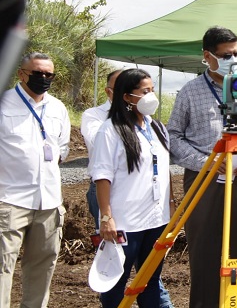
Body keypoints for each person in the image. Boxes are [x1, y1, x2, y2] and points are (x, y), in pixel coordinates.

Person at [167, 26, 237, 308]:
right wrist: (205, 163)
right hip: (204, 179)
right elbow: (173, 136)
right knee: (204, 249)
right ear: (208, 56)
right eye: (226, 55)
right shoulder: (191, 91)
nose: (234, 59)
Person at [81, 69, 174, 308]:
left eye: (152, 90)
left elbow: (163, 169)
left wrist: (170, 203)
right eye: (144, 92)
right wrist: (106, 216)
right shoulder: (110, 130)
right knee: (116, 280)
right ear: (126, 96)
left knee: (150, 279)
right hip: (125, 221)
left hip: (156, 218)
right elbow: (102, 176)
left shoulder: (156, 128)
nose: (151, 96)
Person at [0, 52, 70, 307]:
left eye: (48, 74)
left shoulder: (57, 108)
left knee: (42, 269)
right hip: (8, 200)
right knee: (2, 268)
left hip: (49, 203)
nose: (43, 78)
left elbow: (62, 148)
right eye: (37, 73)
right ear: (21, 74)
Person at [81, 70, 122, 229]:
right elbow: (98, 142)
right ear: (108, 91)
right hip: (104, 188)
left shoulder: (142, 117)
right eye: (120, 87)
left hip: (134, 188)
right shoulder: (93, 115)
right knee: (108, 241)